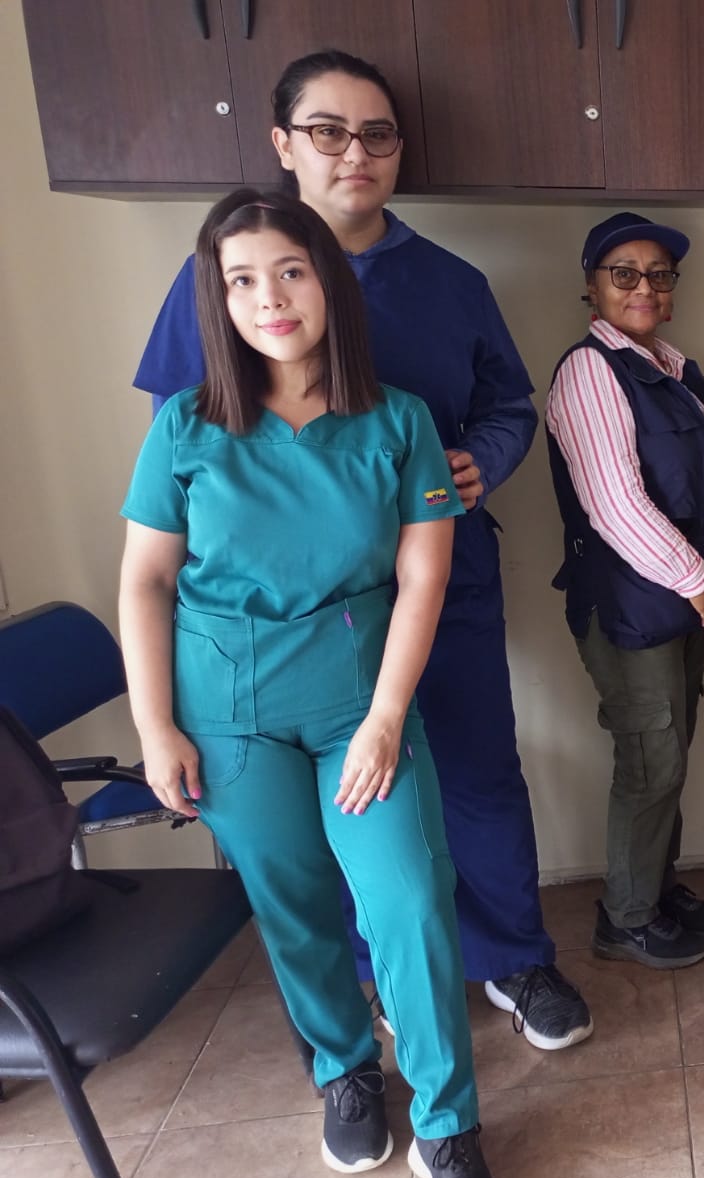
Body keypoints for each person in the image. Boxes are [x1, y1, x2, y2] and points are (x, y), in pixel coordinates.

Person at [132, 50, 590, 1051]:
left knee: (477, 772)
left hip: (441, 583)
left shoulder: (452, 283)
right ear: (283, 145)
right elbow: (179, 435)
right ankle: (378, 978)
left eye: (376, 133)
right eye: (328, 131)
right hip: (288, 627)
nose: (355, 153)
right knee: (338, 803)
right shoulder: (223, 275)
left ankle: (514, 958)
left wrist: (481, 462)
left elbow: (510, 406)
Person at [119, 189, 496, 1178]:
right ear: (217, 300)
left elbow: (423, 575)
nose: (270, 298)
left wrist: (385, 719)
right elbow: (146, 581)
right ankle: (344, 1071)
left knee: (409, 899)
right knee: (292, 908)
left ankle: (449, 1125)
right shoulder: (186, 428)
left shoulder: (399, 421)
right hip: (229, 716)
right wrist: (155, 727)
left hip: (359, 705)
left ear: (327, 281)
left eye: (290, 271)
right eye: (242, 280)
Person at [546, 212, 704, 969]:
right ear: (591, 286)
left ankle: (655, 888)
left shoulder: (676, 368)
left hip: (688, 598)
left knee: (672, 748)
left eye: (659, 274)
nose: (644, 286)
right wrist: (703, 585)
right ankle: (626, 916)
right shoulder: (589, 371)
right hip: (632, 606)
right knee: (650, 757)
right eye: (624, 273)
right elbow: (615, 504)